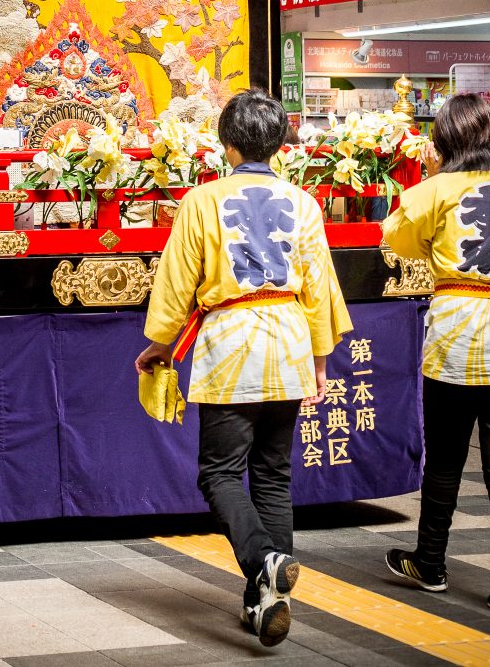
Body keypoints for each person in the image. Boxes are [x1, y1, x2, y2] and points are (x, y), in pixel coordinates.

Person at [136, 89, 350, 648]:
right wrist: (321, 360)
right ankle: (266, 596)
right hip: (289, 339)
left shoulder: (202, 201)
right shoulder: (303, 202)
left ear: (225, 141)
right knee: (274, 474)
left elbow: (176, 284)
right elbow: (321, 287)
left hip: (231, 342)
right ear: (280, 143)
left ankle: (263, 559)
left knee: (220, 473)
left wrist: (159, 346)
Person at [380, 93, 490, 618]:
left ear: (444, 141)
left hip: (457, 338)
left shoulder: (436, 189)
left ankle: (430, 563)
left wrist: (429, 184)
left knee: (448, 461)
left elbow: (397, 239)